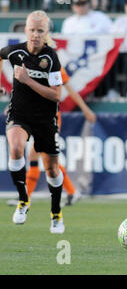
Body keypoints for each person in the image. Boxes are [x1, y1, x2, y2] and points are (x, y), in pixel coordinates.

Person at [0, 10, 65, 233]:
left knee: (52, 170)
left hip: (45, 119)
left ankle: (56, 214)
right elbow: (0, 55)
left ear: (46, 33)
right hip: (19, 113)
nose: (35, 34)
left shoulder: (51, 58)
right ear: (25, 29)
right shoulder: (15, 52)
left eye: (40, 30)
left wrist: (27, 80)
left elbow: (57, 95)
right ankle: (23, 200)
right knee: (16, 148)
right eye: (32, 29)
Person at [25, 64, 96, 206]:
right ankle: (71, 192)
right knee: (43, 158)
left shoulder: (53, 66)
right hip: (37, 117)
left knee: (45, 158)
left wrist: (85, 110)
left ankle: (25, 198)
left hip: (50, 118)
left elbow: (71, 91)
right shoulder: (32, 65)